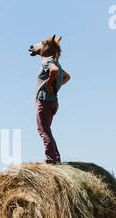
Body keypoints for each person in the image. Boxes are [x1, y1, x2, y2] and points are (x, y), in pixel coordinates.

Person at [29, 35, 71, 164]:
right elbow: (67, 77)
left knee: (43, 130)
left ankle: (51, 160)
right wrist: (55, 85)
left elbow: (54, 70)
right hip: (53, 102)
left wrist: (48, 83)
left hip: (44, 101)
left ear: (47, 47)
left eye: (41, 43)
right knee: (47, 130)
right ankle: (56, 157)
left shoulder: (47, 61)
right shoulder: (56, 62)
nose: (36, 46)